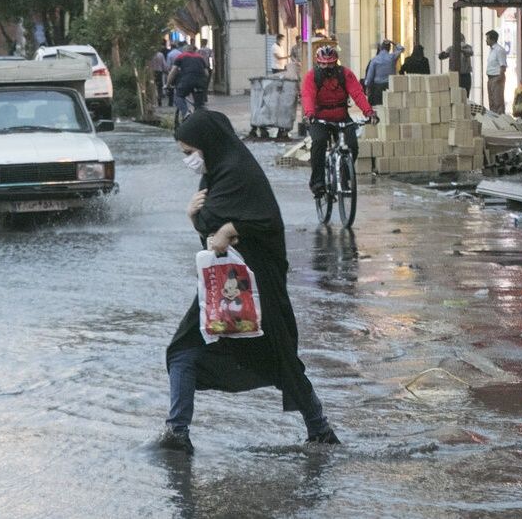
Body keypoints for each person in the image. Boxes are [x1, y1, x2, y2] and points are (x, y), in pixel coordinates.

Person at [159, 109, 341, 455]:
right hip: (222, 289)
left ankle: (320, 429)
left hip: (260, 289)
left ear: (208, 145)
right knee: (183, 350)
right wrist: (194, 216)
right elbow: (210, 239)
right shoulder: (213, 178)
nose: (189, 160)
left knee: (281, 358)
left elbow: (265, 219)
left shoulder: (241, 173)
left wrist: (232, 228)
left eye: (189, 152)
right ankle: (177, 432)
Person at [301, 45, 376, 198]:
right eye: (323, 64)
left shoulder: (345, 74)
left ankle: (344, 176)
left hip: (341, 115)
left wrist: (369, 112)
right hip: (319, 117)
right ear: (318, 63)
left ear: (336, 62)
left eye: (330, 64)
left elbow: (357, 93)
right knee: (319, 142)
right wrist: (309, 114)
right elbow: (308, 95)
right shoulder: (312, 76)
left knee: (352, 145)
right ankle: (317, 182)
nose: (327, 67)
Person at [166, 45, 210, 118]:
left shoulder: (181, 56)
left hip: (187, 80)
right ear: (193, 50)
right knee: (199, 104)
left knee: (178, 96)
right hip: (200, 81)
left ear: (184, 50)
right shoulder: (200, 57)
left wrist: (168, 84)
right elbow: (206, 73)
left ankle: (186, 113)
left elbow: (173, 72)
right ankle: (200, 117)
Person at [363, 40, 405, 106]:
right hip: (390, 87)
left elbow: (369, 77)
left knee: (378, 109)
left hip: (378, 88)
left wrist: (367, 87)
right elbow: (401, 49)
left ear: (380, 48)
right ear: (389, 48)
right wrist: (392, 42)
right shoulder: (392, 57)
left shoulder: (374, 60)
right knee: (389, 109)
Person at [485, 30, 507, 114]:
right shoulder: (492, 50)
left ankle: (501, 121)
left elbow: (503, 65)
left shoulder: (499, 50)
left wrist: (500, 78)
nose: (486, 40)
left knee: (498, 102)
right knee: (492, 102)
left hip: (497, 77)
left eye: (487, 38)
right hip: (490, 78)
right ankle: (494, 121)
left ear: (492, 39)